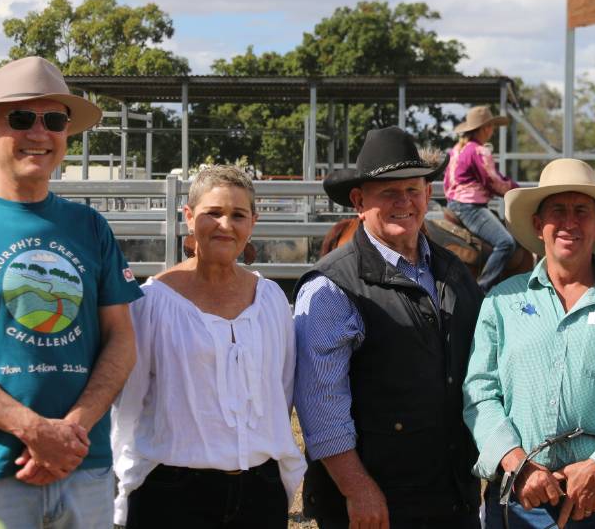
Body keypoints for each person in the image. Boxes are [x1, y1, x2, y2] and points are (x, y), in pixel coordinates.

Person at [0, 56, 142, 529]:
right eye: (21, 118)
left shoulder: (90, 228)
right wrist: (35, 432)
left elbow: (121, 339)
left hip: (84, 466)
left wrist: (71, 431)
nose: (39, 133)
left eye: (54, 120)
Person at [464, 158, 595, 529]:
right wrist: (518, 464)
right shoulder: (501, 302)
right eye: (557, 211)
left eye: (581, 211)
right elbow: (480, 391)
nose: (569, 222)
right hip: (520, 499)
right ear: (538, 225)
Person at [294, 126, 484, 528]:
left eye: (413, 190)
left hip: (452, 497)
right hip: (374, 504)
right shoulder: (330, 287)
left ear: (428, 195)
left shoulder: (454, 271)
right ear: (359, 202)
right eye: (388, 193)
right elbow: (321, 406)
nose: (404, 202)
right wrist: (357, 489)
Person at [112, 165, 305, 527]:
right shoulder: (151, 301)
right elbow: (130, 402)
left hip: (258, 490)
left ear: (253, 223)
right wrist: (126, 482)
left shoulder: (271, 299)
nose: (225, 225)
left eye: (238, 215)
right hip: (172, 492)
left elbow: (282, 387)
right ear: (188, 217)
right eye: (212, 213)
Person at [444, 105, 520, 291]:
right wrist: (517, 192)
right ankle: (482, 289)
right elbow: (493, 182)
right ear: (485, 128)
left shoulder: (457, 150)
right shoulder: (479, 151)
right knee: (506, 243)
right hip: (470, 207)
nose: (493, 130)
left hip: (454, 204)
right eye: (491, 126)